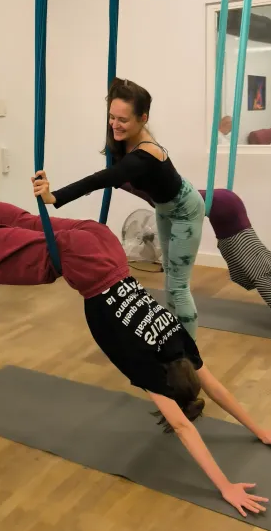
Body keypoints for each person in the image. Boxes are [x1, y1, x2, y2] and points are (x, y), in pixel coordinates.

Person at [0, 195, 271, 518]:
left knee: (30, 225)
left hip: (104, 244)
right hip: (89, 269)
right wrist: (223, 486)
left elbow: (217, 388)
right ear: (170, 389)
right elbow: (184, 424)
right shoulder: (152, 371)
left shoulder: (182, 346)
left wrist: (260, 430)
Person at [33, 77, 205, 341]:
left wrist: (54, 197)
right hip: (164, 207)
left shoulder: (144, 156)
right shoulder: (127, 141)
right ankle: (176, 339)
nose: (114, 124)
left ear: (143, 118)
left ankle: (191, 357)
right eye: (111, 117)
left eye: (122, 120)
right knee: (169, 276)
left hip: (185, 210)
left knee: (179, 286)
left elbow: (100, 179)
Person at [124, 184, 271, 348]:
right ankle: (122, 179)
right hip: (223, 210)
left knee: (167, 197)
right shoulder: (264, 278)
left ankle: (128, 178)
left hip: (231, 204)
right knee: (163, 201)